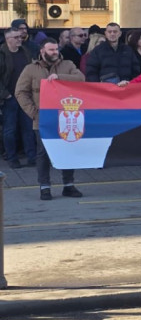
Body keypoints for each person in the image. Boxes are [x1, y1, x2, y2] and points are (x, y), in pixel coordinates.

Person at [14, 39, 85, 200]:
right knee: (43, 153)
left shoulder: (67, 64)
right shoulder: (31, 69)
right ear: (42, 51)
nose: (55, 52)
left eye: (56, 49)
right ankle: (44, 187)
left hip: (64, 118)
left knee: (67, 150)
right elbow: (20, 92)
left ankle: (68, 185)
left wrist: (59, 77)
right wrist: (33, 112)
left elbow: (81, 79)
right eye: (51, 50)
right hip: (42, 119)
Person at [1, 28, 37, 169]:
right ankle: (12, 158)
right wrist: (6, 94)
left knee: (28, 127)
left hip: (25, 96)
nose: (19, 39)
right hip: (10, 97)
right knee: (10, 129)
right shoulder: (2, 54)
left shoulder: (25, 52)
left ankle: (32, 157)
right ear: (7, 39)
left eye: (20, 37)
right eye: (16, 37)